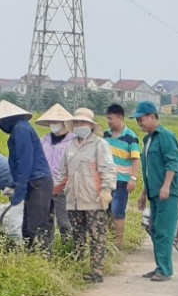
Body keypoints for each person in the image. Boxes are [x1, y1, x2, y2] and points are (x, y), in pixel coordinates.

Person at [53, 108, 118, 283]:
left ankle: (97, 271)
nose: (79, 125)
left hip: (94, 200)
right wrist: (55, 190)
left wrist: (106, 190)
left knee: (97, 237)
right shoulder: (70, 146)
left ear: (90, 125)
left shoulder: (99, 144)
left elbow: (108, 170)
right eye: (76, 123)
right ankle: (79, 268)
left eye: (83, 122)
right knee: (78, 236)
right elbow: (63, 174)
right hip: (73, 200)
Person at [0, 100, 53, 254]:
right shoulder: (20, 129)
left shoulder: (21, 129)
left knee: (36, 227)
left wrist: (20, 187)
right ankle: (33, 261)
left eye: (1, 122)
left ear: (6, 120)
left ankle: (43, 263)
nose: (1, 126)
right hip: (33, 181)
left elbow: (25, 160)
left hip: (37, 181)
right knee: (28, 227)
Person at [133, 101, 178, 282]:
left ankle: (165, 270)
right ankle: (159, 266)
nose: (139, 123)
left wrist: (167, 186)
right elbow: (150, 171)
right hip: (154, 192)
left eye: (142, 119)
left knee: (164, 231)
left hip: (167, 193)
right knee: (154, 229)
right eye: (137, 120)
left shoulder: (166, 136)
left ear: (153, 117)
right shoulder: (148, 140)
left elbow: (172, 163)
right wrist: (144, 193)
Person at [102, 103, 141, 249]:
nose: (109, 122)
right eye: (107, 119)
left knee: (118, 212)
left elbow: (136, 159)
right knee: (105, 211)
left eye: (110, 119)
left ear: (120, 117)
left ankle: (118, 245)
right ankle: (106, 242)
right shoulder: (105, 135)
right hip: (106, 180)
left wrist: (133, 178)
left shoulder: (131, 137)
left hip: (122, 181)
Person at [36, 103, 75, 241]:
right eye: (51, 122)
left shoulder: (73, 141)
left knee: (64, 222)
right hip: (45, 185)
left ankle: (70, 250)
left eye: (56, 121)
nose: (53, 124)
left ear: (64, 122)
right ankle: (48, 252)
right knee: (46, 222)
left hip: (64, 186)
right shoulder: (43, 141)